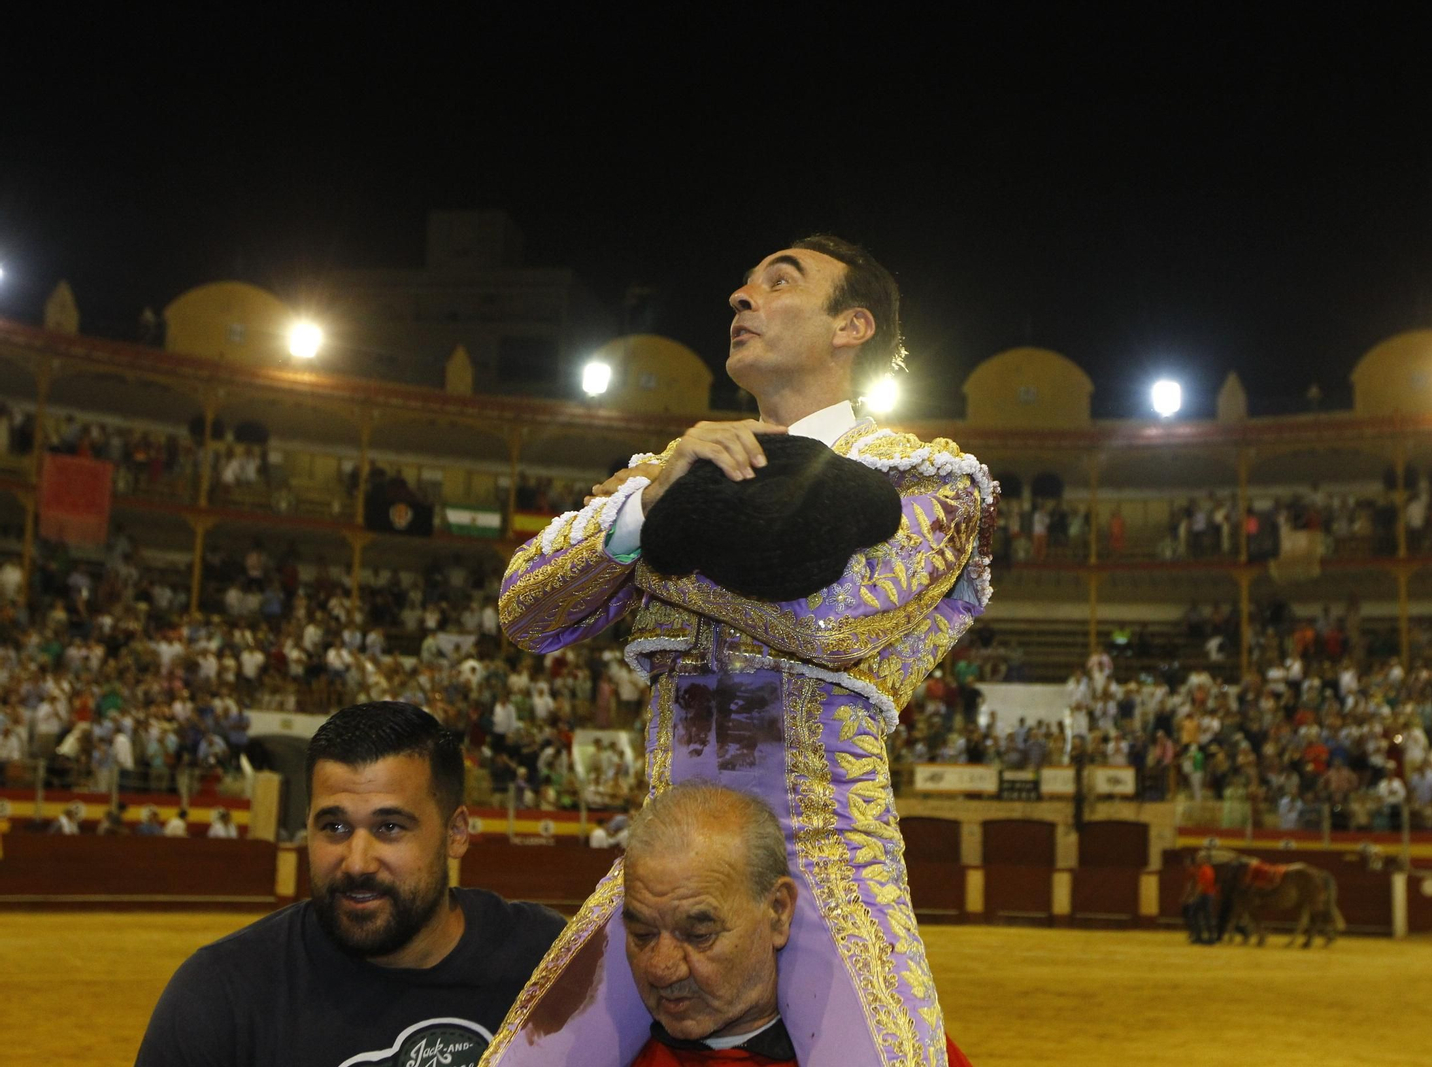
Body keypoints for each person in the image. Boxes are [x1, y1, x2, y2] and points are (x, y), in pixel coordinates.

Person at [491, 237, 994, 1066]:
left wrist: (647, 531)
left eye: (778, 281)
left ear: (852, 325)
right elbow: (527, 611)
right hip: (662, 873)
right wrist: (657, 502)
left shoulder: (931, 479)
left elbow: (834, 625)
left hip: (827, 856)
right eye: (745, 282)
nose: (740, 295)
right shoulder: (670, 472)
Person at [136, 701, 565, 1067]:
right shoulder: (222, 995)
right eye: (335, 826)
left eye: (390, 827)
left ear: (456, 833)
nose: (357, 862)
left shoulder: (550, 965)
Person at [614, 781, 972, 1067]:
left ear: (778, 911)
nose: (661, 969)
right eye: (642, 934)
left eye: (699, 935)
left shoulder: (894, 1050)